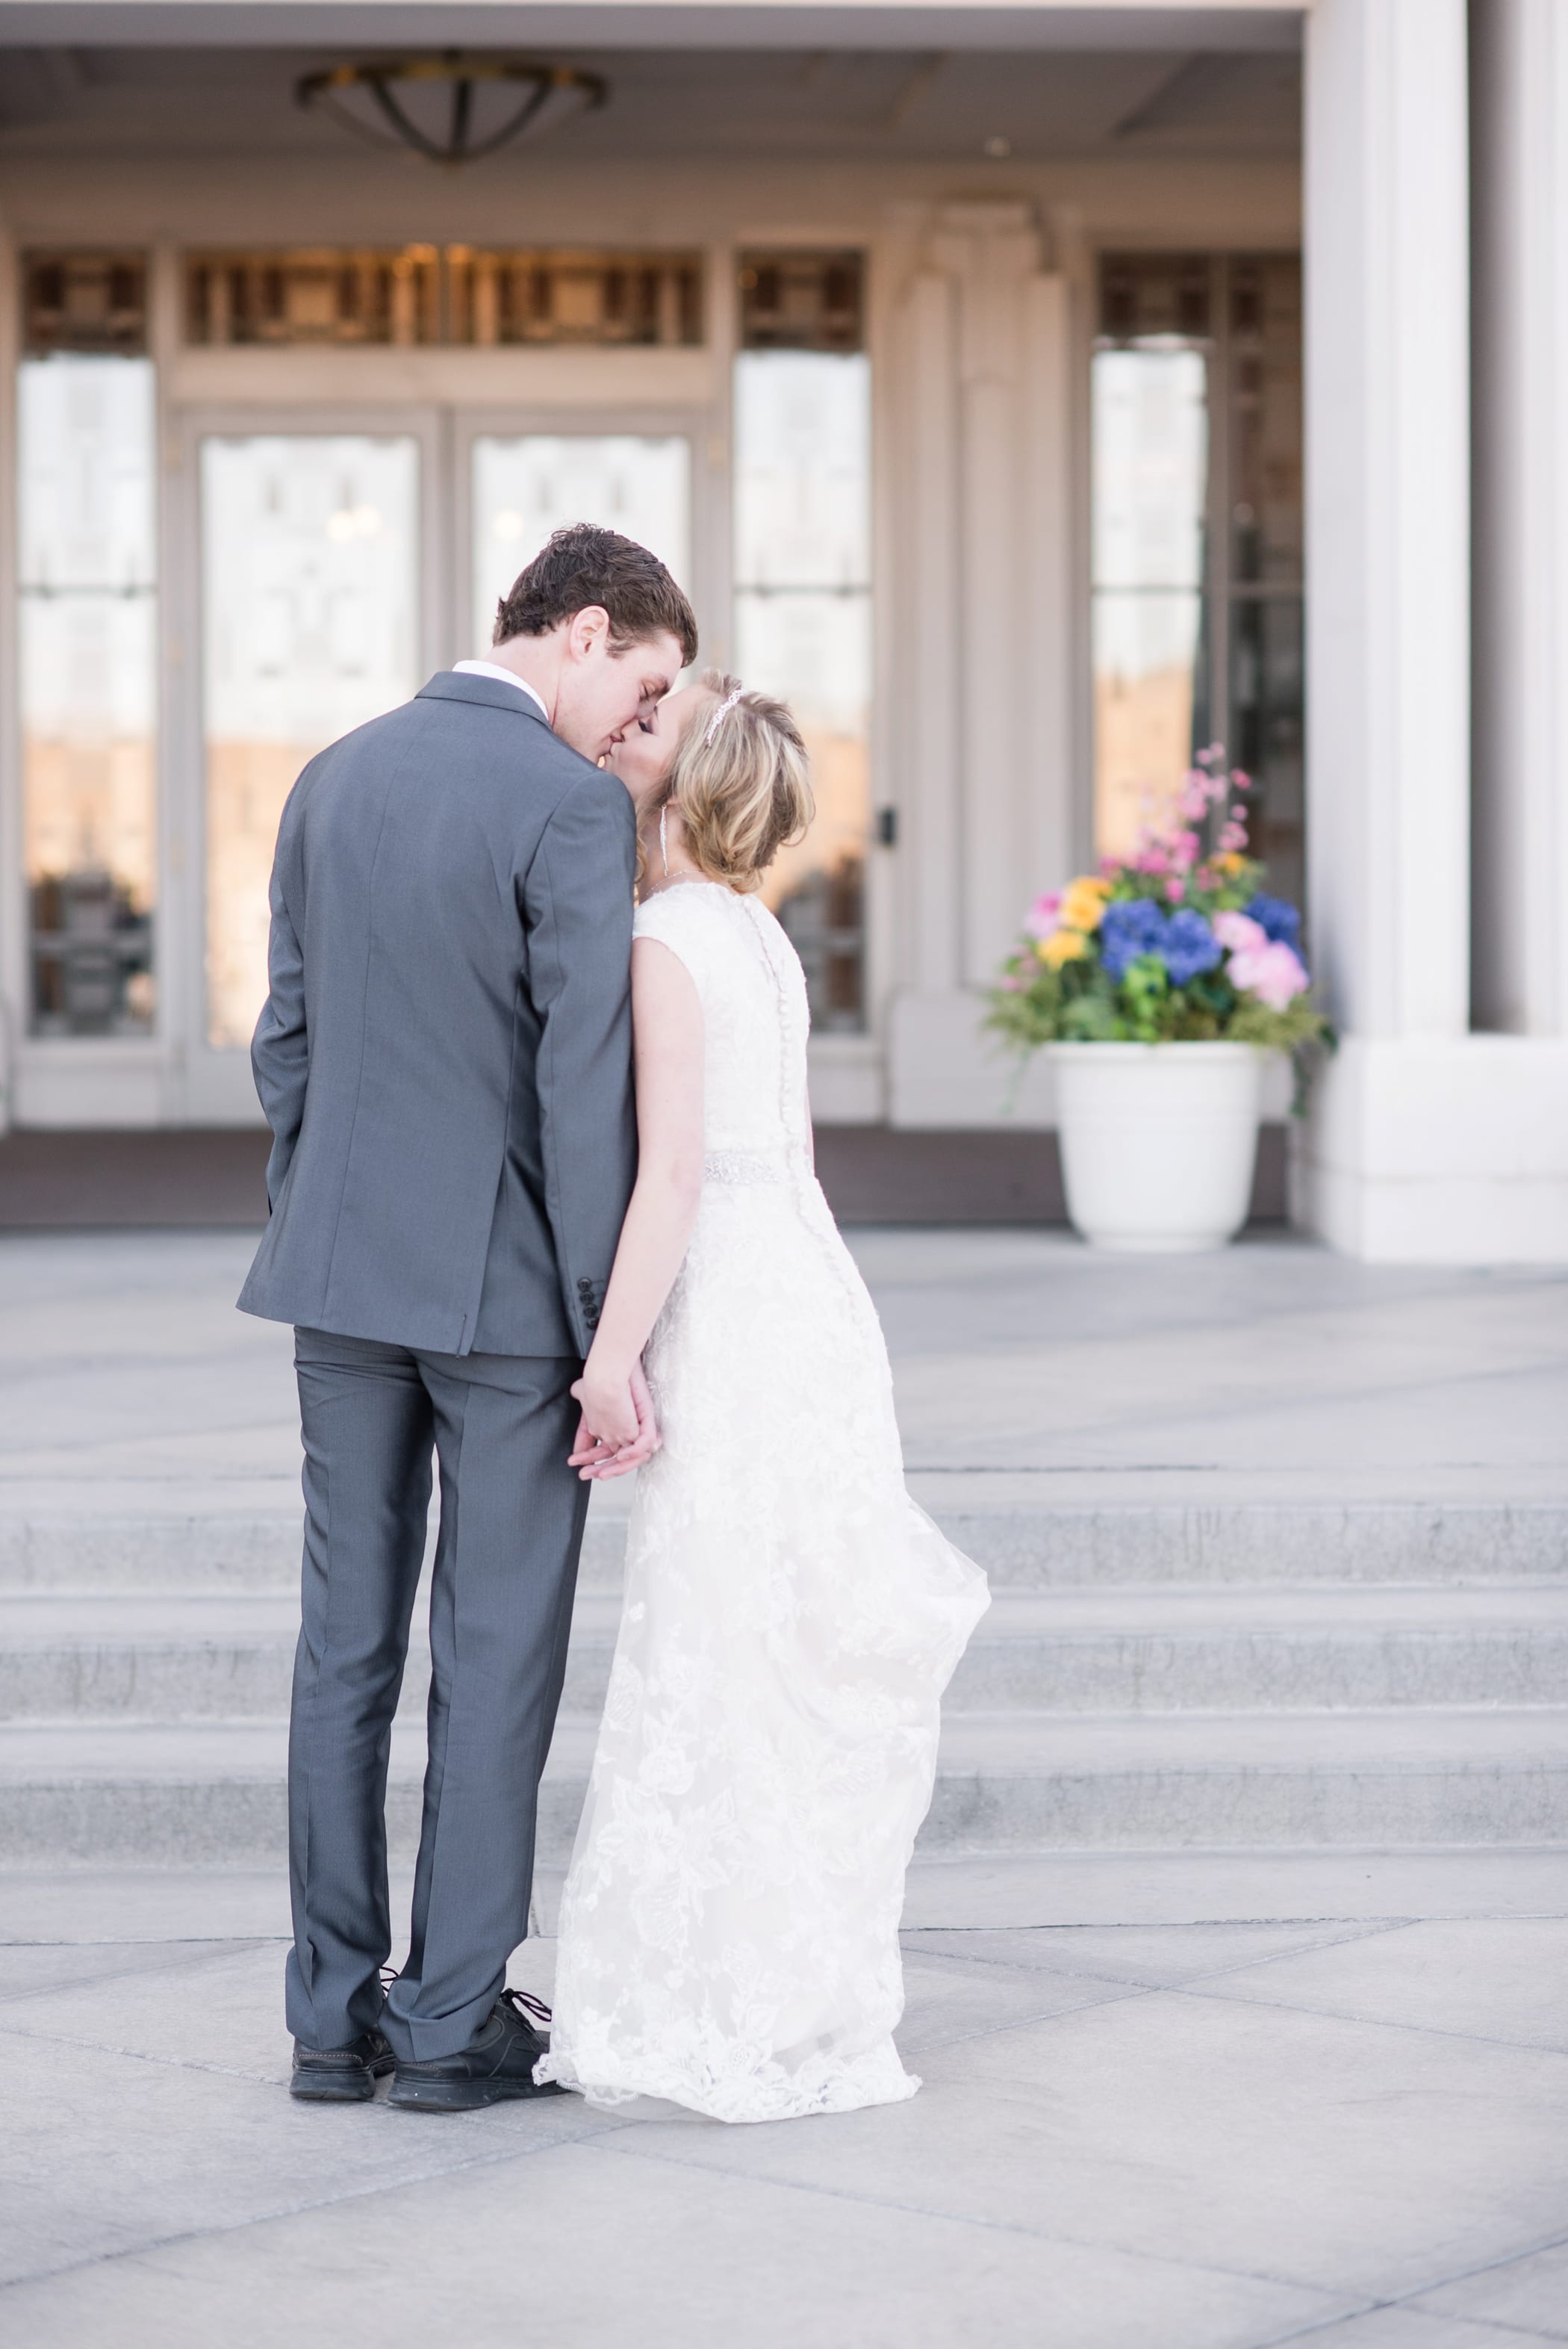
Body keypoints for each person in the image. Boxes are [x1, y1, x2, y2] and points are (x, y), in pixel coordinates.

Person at [238, 524, 697, 2111]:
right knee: (493, 1656)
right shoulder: (566, 808)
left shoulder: (329, 778)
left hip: (339, 1280)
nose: (637, 730)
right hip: (507, 1306)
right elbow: (582, 1091)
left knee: (339, 1648)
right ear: (581, 631)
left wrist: (317, 1210)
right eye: (638, 689)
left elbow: (285, 1044)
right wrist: (605, 1338)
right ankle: (448, 2024)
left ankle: (325, 2016)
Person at [536, 669, 990, 2123]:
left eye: (653, 730)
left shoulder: (665, 938)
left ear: (676, 790)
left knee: (717, 1637)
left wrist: (610, 1357)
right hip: (808, 1293)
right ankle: (794, 1983)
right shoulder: (763, 937)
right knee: (774, 1644)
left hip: (730, 1306)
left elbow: (673, 1172)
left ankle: (711, 1994)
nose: (629, 733)